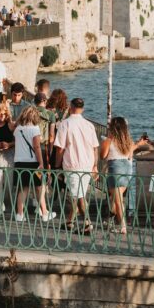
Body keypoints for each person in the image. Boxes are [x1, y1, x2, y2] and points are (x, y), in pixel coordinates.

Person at [54, 98, 100, 233]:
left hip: (72, 163)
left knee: (78, 195)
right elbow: (95, 148)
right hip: (87, 163)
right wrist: (95, 166)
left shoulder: (65, 124)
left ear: (70, 107)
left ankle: (87, 224)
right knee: (80, 192)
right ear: (82, 109)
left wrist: (57, 165)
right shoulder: (89, 125)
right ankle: (70, 221)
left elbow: (60, 148)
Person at [101, 116, 143, 234]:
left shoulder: (109, 140)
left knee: (118, 200)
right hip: (127, 169)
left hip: (116, 168)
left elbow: (102, 156)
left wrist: (105, 143)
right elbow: (130, 155)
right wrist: (139, 143)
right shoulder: (127, 140)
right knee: (115, 198)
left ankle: (123, 226)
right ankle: (110, 219)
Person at [13, 106, 54, 222]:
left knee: (23, 188)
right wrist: (41, 163)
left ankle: (19, 214)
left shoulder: (17, 129)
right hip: (33, 162)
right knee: (39, 187)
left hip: (19, 161)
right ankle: (44, 213)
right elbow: (37, 147)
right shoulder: (35, 129)